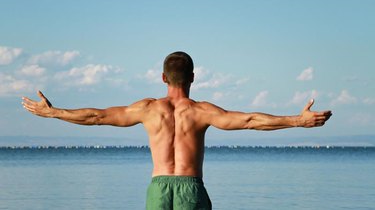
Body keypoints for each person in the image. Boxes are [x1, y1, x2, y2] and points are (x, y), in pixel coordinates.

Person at [22, 51, 332, 210]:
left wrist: (53, 113)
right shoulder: (201, 111)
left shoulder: (147, 109)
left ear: (162, 78)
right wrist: (297, 120)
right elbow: (250, 120)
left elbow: (97, 117)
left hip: (158, 188)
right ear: (192, 77)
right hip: (191, 188)